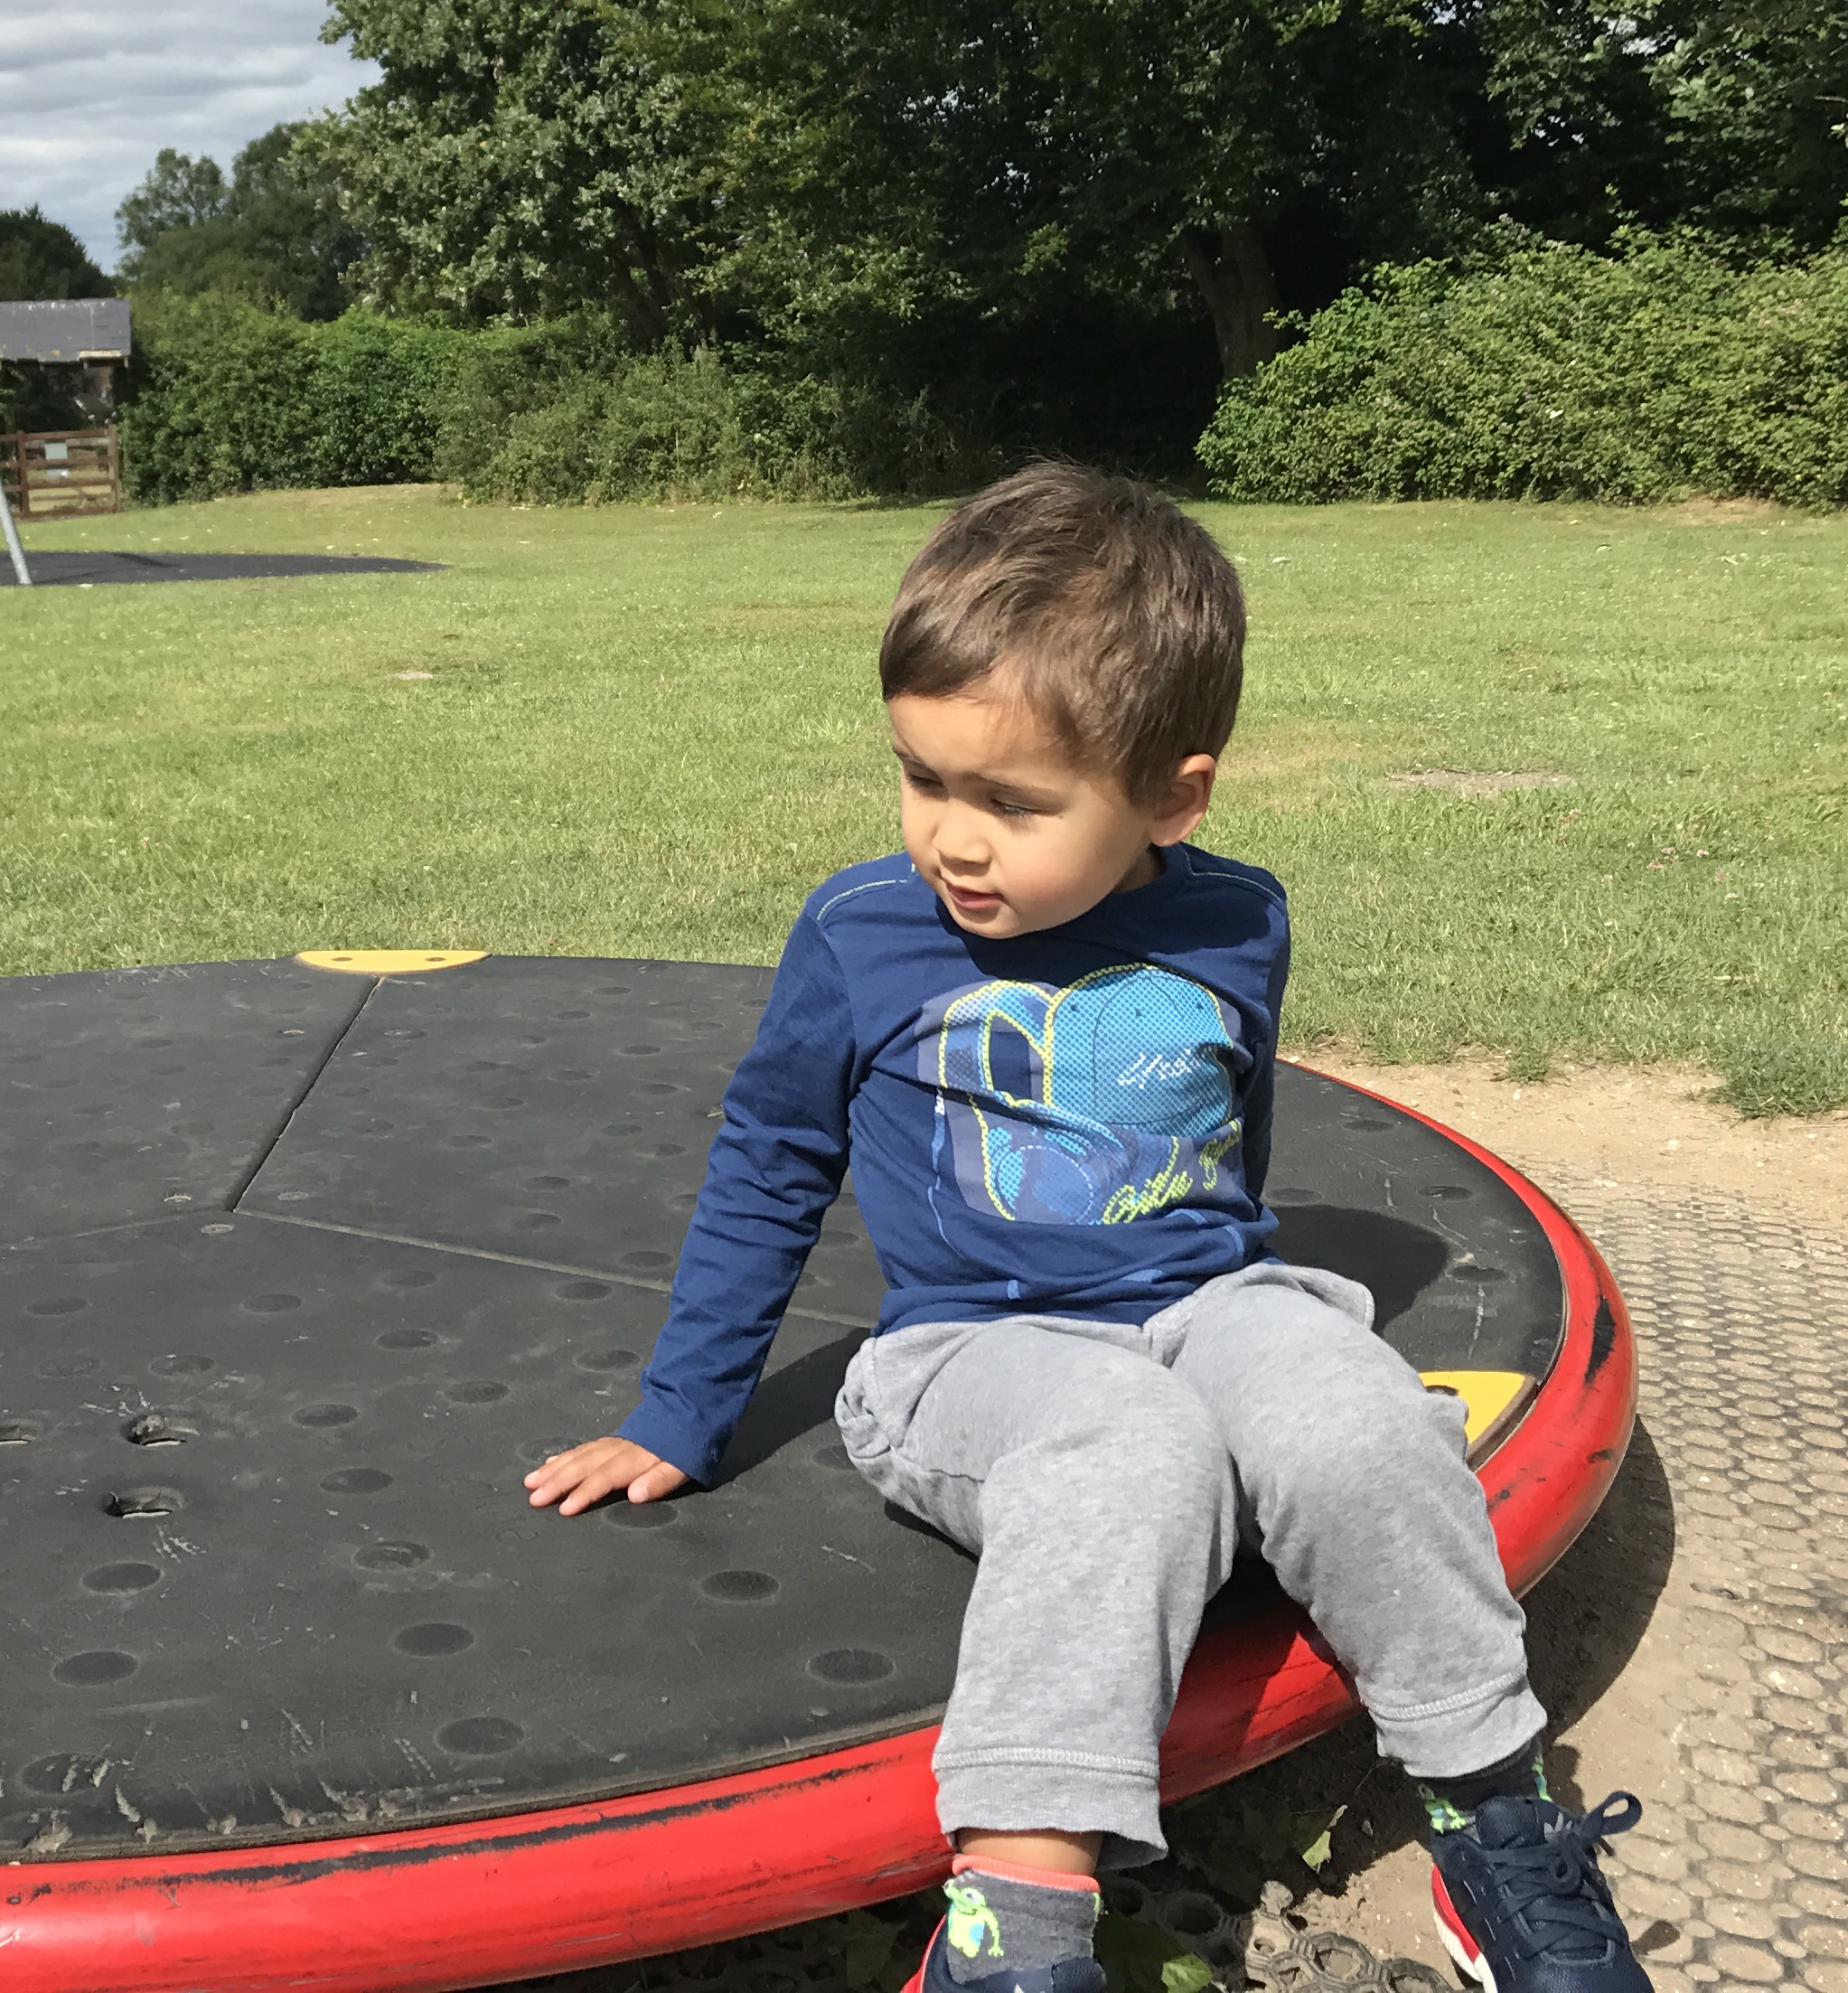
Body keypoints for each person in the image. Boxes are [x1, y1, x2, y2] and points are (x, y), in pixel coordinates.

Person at [526, 465, 1652, 1993]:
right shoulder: (865, 934)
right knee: (1131, 1446)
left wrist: (1260, 1368)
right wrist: (682, 1410)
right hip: (969, 1351)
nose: (953, 839)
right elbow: (770, 1160)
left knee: (1357, 1416)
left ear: (1171, 801)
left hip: (1204, 1301)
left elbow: (1225, 1136)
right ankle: (1014, 1924)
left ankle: (1493, 1822)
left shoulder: (1234, 919)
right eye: (925, 779)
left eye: (1013, 803)